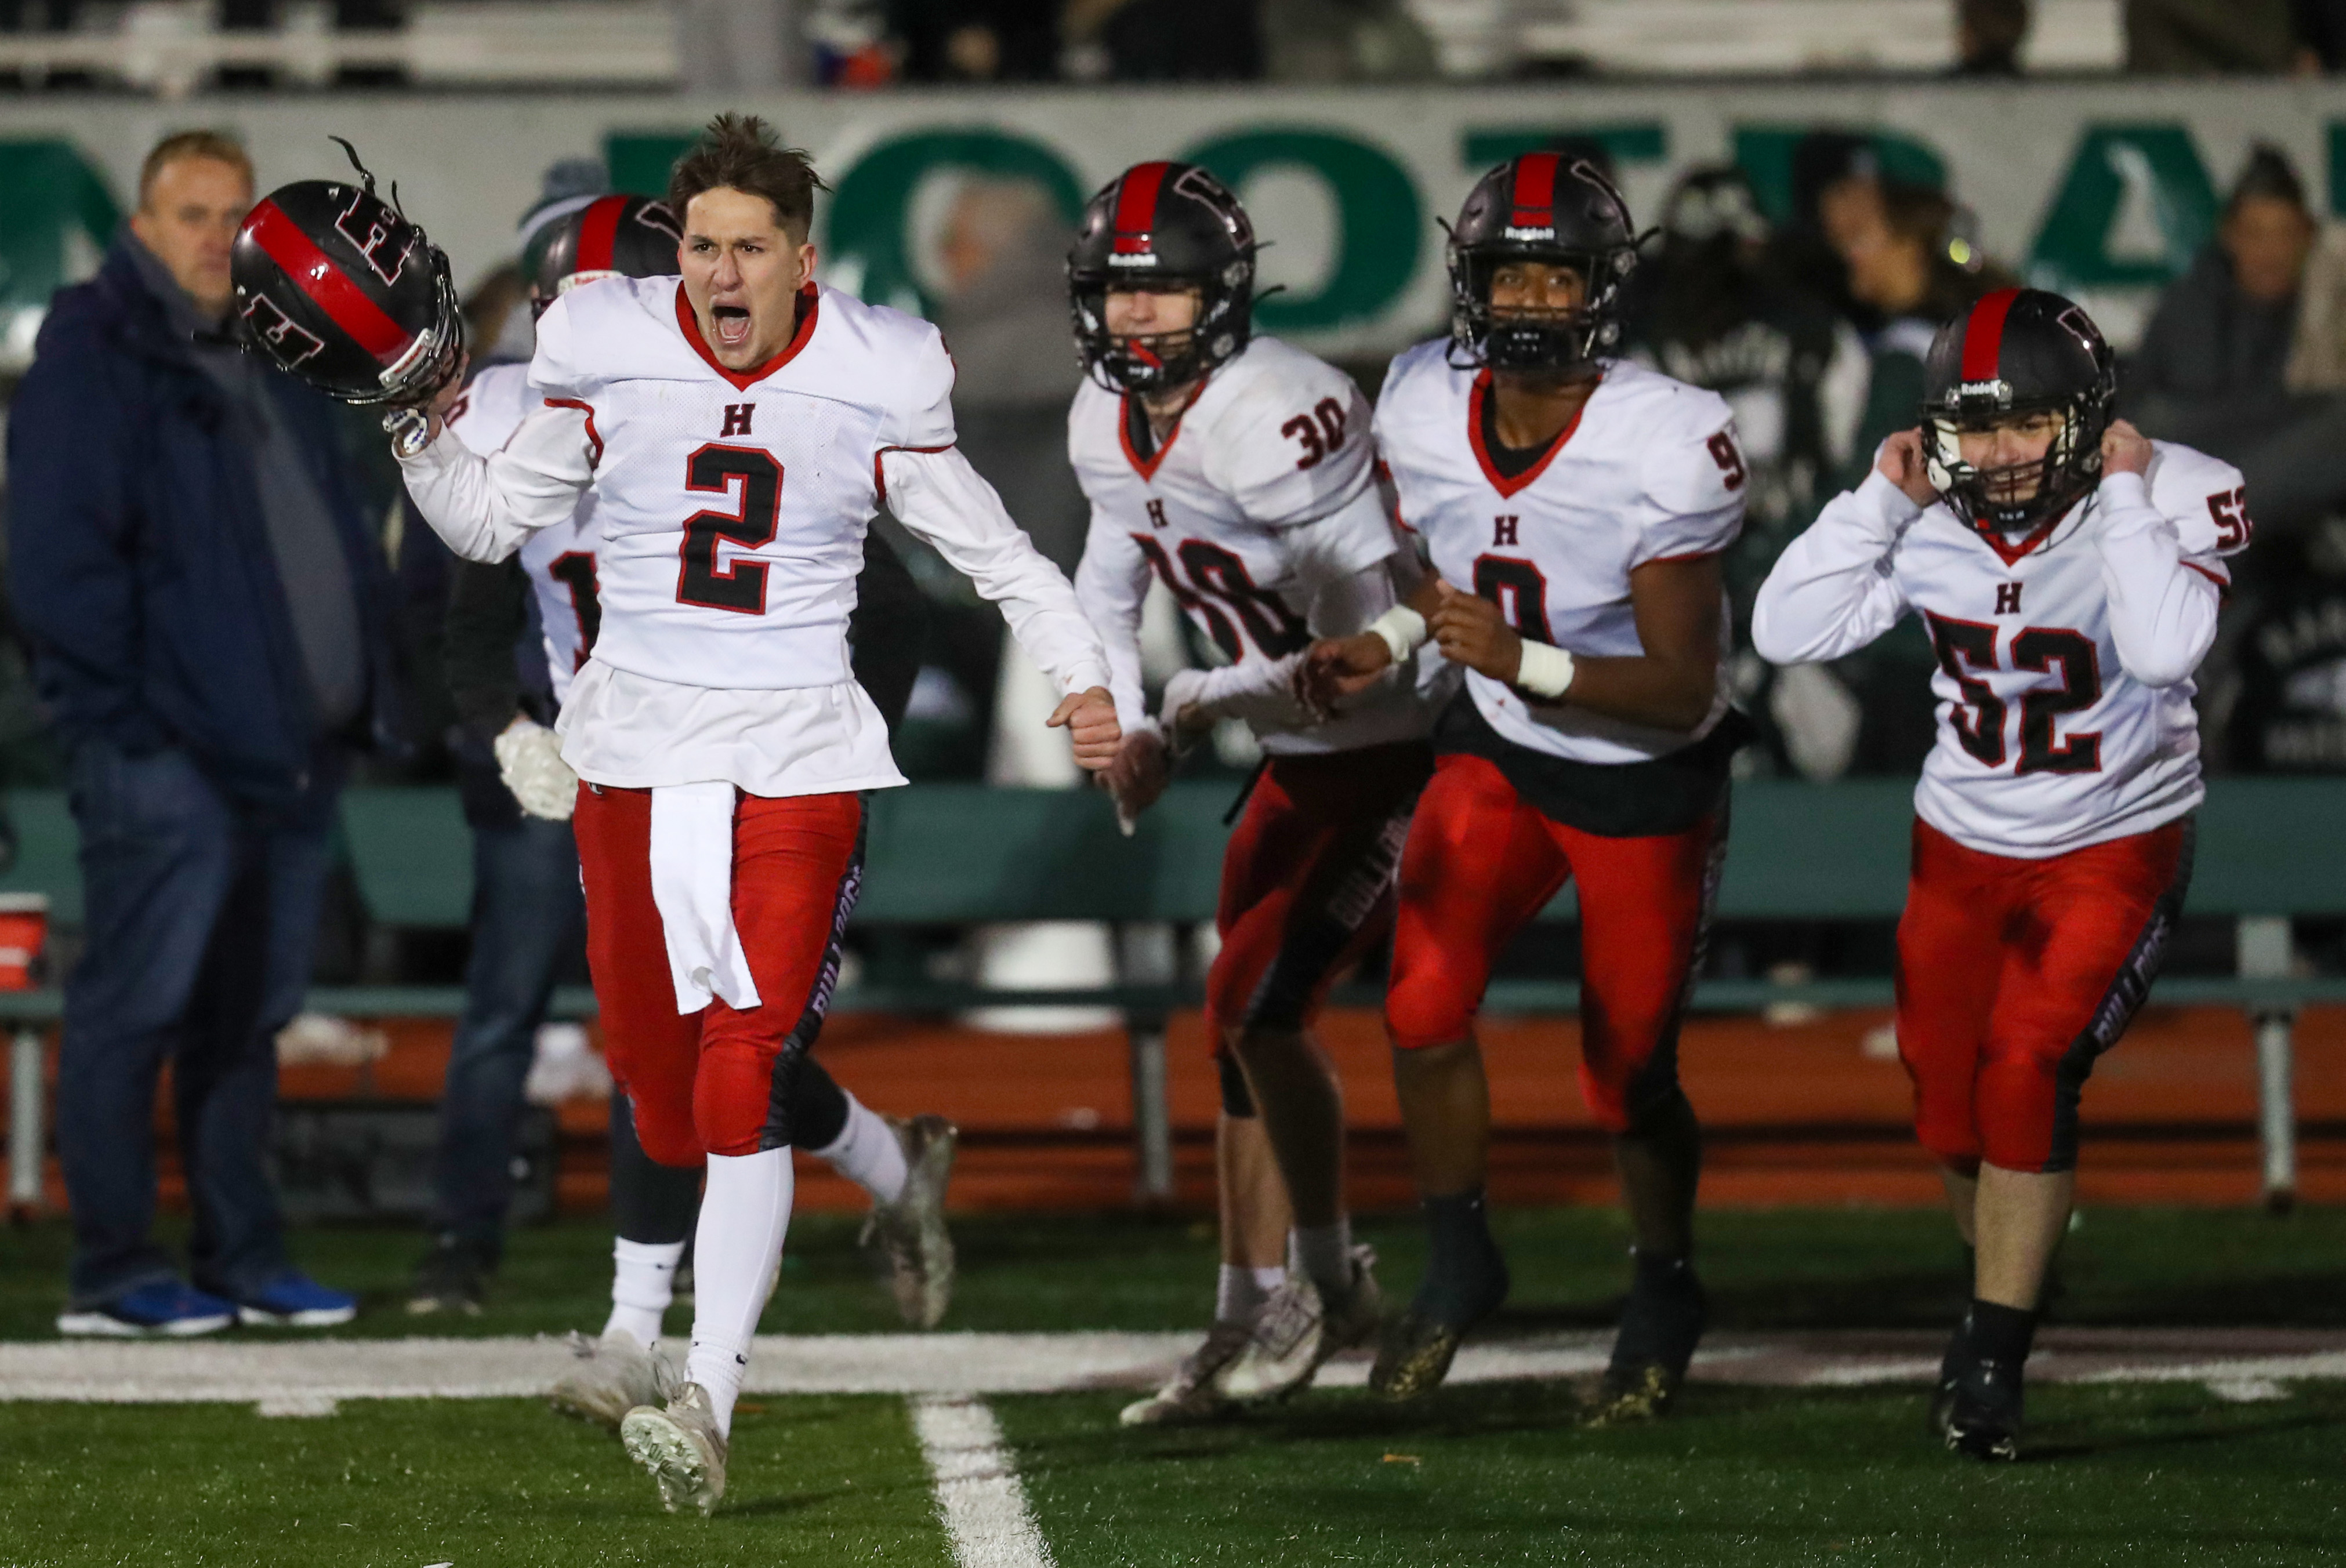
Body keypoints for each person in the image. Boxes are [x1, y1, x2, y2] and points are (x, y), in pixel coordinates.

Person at [393, 113, 1117, 1516]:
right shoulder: (609, 337)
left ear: (802, 255)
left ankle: (707, 1393)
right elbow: (487, 526)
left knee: (742, 1075)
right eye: (706, 247)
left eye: (752, 247)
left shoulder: (878, 365)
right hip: (629, 752)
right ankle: (873, 1182)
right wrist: (415, 428)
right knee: (658, 1086)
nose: (724, 275)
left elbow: (995, 552)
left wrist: (1085, 676)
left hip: (795, 756)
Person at [407, 196, 954, 1333]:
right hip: (594, 769)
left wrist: (828, 754)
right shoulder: (531, 423)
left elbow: (892, 609)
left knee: (720, 1042)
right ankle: (867, 1166)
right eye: (562, 307)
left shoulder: (747, 420)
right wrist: (509, 729)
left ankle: (643, 1317)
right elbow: (468, 618)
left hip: (736, 772)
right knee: (633, 1039)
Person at [1752, 288, 2247, 1458]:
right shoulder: (1926, 511)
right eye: (1976, 427)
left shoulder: (2174, 488)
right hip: (1961, 842)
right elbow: (1784, 627)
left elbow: (2167, 646)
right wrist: (1878, 498)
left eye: (2029, 424)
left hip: (2112, 840)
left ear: (2088, 420)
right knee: (1942, 1089)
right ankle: (2003, 1291)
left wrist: (2122, 495)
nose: (2004, 454)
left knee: (2027, 1063)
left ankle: (1990, 1355)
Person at [1303, 154, 1747, 1422]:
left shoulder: (1666, 434)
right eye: (1512, 271)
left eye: (1559, 272)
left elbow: (1678, 688)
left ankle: (1664, 1282)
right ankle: (1459, 1257)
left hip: (1640, 773)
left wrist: (1520, 659)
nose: (1534, 298)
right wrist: (1387, 646)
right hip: (1497, 741)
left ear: (1604, 288)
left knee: (1625, 1074)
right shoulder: (1421, 399)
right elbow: (1440, 588)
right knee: (1421, 999)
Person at [1069, 161, 1438, 1424]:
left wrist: (1181, 709)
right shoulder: (1103, 420)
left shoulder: (1274, 409)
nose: (1136, 317)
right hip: (1293, 753)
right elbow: (1110, 568)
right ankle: (1242, 1302)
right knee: (1234, 1038)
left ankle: (1331, 1280)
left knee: (1255, 1005)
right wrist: (1114, 700)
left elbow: (1363, 649)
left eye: (1162, 290)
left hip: (1399, 741)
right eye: (1120, 290)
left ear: (1219, 297)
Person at [6, 130, 393, 1336]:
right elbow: (57, 568)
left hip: (279, 755)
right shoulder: (99, 353)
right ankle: (115, 1266)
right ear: (139, 223)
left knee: (244, 1017)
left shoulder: (271, 355)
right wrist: (132, 727)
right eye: (190, 213)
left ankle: (241, 1250)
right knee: (138, 1002)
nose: (217, 237)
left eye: (234, 213)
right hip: (168, 756)